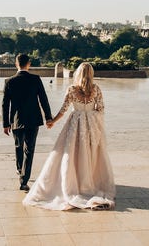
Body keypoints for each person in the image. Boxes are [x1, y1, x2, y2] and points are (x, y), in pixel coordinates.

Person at [23, 62, 115, 210]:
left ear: (78, 73)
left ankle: (73, 183)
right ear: (91, 74)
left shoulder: (72, 89)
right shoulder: (96, 89)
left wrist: (52, 121)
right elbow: (101, 109)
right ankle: (88, 183)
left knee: (71, 153)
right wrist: (90, 117)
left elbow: (64, 109)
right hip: (91, 125)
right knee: (90, 154)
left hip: (75, 124)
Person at [2, 53, 53, 191]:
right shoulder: (36, 79)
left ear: (16, 64)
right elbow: (43, 99)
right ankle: (24, 180)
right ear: (29, 64)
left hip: (16, 120)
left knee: (18, 146)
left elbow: (5, 105)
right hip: (33, 120)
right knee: (29, 150)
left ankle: (19, 169)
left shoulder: (9, 81)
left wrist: (5, 124)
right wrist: (48, 117)